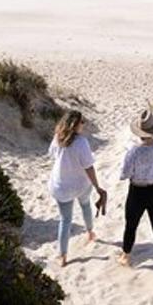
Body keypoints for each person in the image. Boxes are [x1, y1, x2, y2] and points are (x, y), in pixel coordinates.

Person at [118, 109, 153, 281]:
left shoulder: (134, 151)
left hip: (138, 191)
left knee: (131, 225)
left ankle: (126, 256)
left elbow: (124, 174)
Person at [48, 109, 106, 267]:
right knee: (85, 205)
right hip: (80, 184)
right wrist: (97, 186)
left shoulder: (57, 137)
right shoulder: (81, 142)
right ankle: (90, 232)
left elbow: (52, 154)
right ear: (75, 125)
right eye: (82, 122)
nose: (84, 124)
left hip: (61, 185)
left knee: (65, 220)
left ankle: (63, 256)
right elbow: (89, 167)